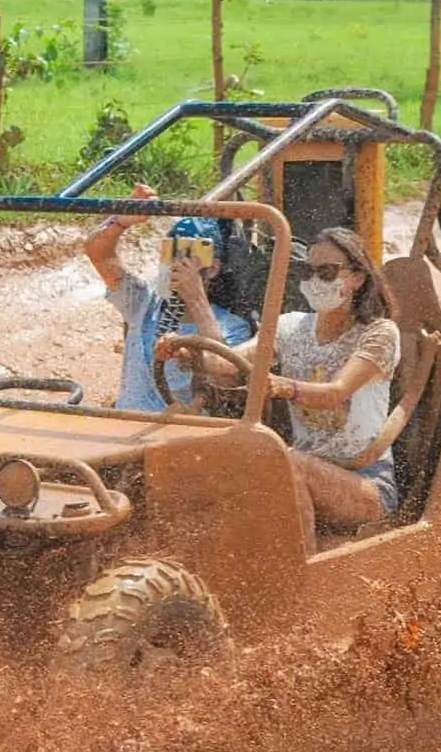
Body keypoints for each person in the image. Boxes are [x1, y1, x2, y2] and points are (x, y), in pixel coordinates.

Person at [159, 226, 400, 552]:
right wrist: (188, 354)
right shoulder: (290, 327)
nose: (316, 281)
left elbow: (336, 393)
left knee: (286, 463)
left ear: (357, 278)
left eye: (327, 272)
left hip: (366, 483)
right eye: (308, 271)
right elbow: (227, 366)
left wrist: (285, 387)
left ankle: (300, 581)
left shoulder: (379, 333)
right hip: (305, 468)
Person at [84, 183, 252, 413]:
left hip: (184, 433)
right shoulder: (143, 303)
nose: (173, 264)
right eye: (169, 253)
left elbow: (224, 379)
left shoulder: (232, 327)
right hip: (126, 423)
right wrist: (121, 221)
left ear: (212, 268)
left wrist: (195, 298)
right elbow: (98, 253)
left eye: (184, 256)